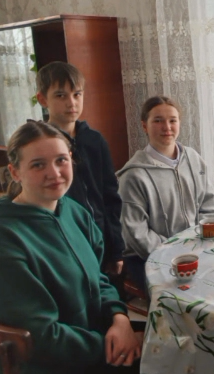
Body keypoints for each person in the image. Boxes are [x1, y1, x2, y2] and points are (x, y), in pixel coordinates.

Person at [0, 121, 141, 374]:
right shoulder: (4, 236)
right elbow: (41, 337)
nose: (54, 173)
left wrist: (120, 319)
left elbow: (99, 278)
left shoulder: (74, 211)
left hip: (99, 342)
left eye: (61, 160)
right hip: (58, 363)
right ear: (15, 172)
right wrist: (116, 346)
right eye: (38, 164)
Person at [117, 95, 214, 287]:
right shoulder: (134, 175)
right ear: (144, 126)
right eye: (158, 121)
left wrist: (200, 242)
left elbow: (210, 205)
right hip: (150, 258)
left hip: (195, 249)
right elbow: (136, 233)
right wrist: (174, 251)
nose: (167, 127)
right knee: (185, 295)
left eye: (172, 120)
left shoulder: (193, 159)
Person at [35, 62, 125, 276]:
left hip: (101, 240)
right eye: (60, 95)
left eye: (77, 94)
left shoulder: (95, 140)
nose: (71, 103)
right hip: (63, 245)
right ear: (43, 99)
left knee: (108, 292)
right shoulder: (38, 145)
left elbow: (110, 197)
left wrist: (116, 250)